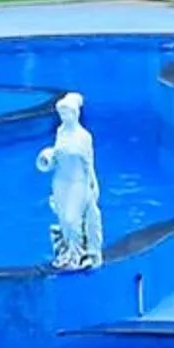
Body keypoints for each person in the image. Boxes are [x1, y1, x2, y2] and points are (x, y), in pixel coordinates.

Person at [36, 91, 104, 268]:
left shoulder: (84, 137)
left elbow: (89, 163)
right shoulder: (61, 132)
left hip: (77, 182)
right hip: (60, 181)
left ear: (75, 114)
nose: (63, 116)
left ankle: (79, 254)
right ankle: (68, 254)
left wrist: (93, 185)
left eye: (66, 113)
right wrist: (49, 157)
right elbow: (59, 156)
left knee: (72, 220)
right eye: (61, 113)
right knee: (64, 221)